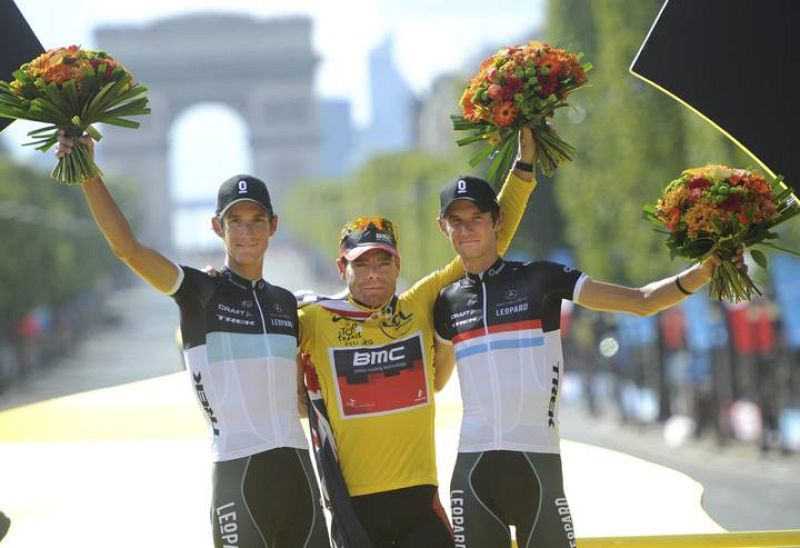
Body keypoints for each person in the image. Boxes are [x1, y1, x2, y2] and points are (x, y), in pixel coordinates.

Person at [432, 177, 744, 547]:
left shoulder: (541, 278)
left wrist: (703, 272)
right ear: (442, 227)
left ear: (497, 220)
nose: (466, 230)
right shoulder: (446, 302)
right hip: (472, 473)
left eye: (476, 218)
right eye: (456, 221)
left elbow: (641, 301)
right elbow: (435, 382)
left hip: (537, 465)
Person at [56, 134, 329, 548]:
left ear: (273, 225)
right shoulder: (199, 292)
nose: (247, 231)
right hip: (239, 476)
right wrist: (88, 173)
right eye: (235, 221)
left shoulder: (286, 302)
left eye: (257, 220)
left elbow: (301, 396)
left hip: (299, 473)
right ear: (217, 227)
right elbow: (127, 249)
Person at [297, 129, 538, 547]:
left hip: (420, 503)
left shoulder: (419, 303)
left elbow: (487, 243)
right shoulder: (316, 319)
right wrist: (219, 289)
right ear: (341, 269)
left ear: (398, 265)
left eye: (383, 262)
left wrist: (524, 167)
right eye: (361, 264)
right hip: (355, 509)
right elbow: (253, 327)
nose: (374, 274)